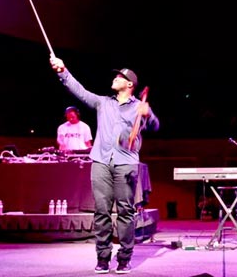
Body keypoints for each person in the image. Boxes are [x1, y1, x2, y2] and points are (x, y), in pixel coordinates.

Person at [49, 56, 160, 274]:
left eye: (120, 77)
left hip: (126, 164)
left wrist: (150, 114)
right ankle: (102, 258)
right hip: (101, 162)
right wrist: (62, 71)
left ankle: (124, 258)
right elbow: (79, 91)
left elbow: (155, 126)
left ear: (129, 84)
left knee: (126, 212)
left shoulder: (139, 107)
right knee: (101, 212)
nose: (116, 78)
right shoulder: (103, 102)